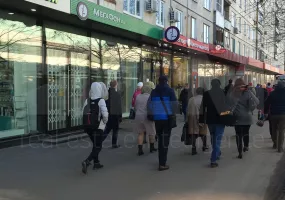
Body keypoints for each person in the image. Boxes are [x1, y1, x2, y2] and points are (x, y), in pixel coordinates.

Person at [148, 75, 178, 171]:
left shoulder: (153, 91)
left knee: (160, 139)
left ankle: (161, 160)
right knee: (165, 141)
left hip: (157, 119)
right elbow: (174, 105)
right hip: (167, 119)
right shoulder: (170, 91)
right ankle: (162, 163)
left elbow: (149, 105)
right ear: (166, 81)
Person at [82, 82, 109, 174]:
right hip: (97, 127)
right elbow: (105, 115)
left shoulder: (87, 100)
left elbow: (83, 113)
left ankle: (96, 163)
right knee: (98, 146)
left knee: (95, 145)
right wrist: (104, 123)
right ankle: (87, 161)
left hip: (88, 127)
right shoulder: (101, 101)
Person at [229, 78, 259, 159]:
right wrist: (249, 91)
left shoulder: (232, 94)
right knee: (246, 132)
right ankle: (246, 146)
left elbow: (230, 105)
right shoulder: (248, 93)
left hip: (237, 117)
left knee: (238, 135)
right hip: (247, 117)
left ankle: (240, 152)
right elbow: (255, 103)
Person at [199, 79, 226, 168]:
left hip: (210, 120)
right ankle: (213, 160)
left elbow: (202, 108)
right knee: (217, 140)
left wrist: (201, 120)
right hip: (220, 120)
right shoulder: (223, 93)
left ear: (211, 85)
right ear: (219, 85)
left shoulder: (207, 94)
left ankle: (216, 152)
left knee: (213, 138)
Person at [134, 84, 157, 156]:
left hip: (138, 116)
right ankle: (152, 148)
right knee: (151, 132)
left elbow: (135, 106)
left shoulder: (138, 96)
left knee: (140, 133)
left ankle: (140, 150)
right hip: (147, 116)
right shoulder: (150, 97)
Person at [265, 80, 285, 152]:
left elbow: (267, 103)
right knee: (281, 131)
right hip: (283, 115)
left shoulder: (272, 94)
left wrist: (265, 112)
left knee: (274, 129)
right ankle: (280, 148)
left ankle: (275, 144)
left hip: (273, 114)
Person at [187, 87, 208, 155]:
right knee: (203, 132)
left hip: (191, 117)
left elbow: (187, 109)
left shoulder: (191, 99)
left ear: (196, 92)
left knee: (193, 133)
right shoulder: (204, 99)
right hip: (201, 117)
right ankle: (204, 146)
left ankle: (193, 148)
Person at [104, 80, 122, 148]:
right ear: (115, 85)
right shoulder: (117, 94)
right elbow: (119, 106)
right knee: (115, 130)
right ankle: (114, 144)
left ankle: (99, 141)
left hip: (108, 113)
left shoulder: (106, 94)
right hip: (115, 114)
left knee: (107, 129)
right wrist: (120, 116)